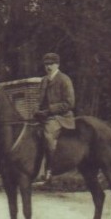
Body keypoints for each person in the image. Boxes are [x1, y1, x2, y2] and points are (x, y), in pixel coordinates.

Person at [33, 52, 75, 183]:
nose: (48, 67)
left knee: (48, 135)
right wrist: (36, 110)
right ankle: (33, 170)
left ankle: (50, 170)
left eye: (51, 64)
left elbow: (70, 103)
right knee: (31, 134)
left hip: (61, 117)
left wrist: (50, 110)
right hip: (44, 116)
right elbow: (38, 99)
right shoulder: (44, 80)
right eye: (46, 64)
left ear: (57, 64)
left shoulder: (64, 79)